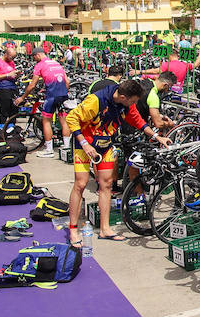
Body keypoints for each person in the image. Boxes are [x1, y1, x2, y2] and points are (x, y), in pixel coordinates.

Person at [63, 78, 163, 246]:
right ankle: (73, 230)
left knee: (107, 184)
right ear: (123, 97)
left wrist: (156, 136)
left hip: (105, 145)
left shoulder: (126, 103)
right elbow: (72, 118)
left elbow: (137, 120)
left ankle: (105, 228)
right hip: (84, 144)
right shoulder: (95, 101)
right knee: (80, 184)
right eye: (133, 101)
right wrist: (85, 143)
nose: (135, 104)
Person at [19, 49, 71, 157]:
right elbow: (67, 81)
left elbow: (32, 85)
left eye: (34, 57)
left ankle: (49, 150)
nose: (34, 59)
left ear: (38, 55)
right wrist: (64, 92)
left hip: (51, 95)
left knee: (46, 121)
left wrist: (23, 97)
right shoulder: (56, 63)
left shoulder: (40, 65)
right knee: (64, 121)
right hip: (63, 94)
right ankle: (67, 148)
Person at [0, 43, 21, 131]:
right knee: (4, 110)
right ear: (6, 54)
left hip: (13, 88)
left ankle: (12, 129)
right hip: (4, 89)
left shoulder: (11, 63)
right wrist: (7, 75)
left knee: (14, 110)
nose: (12, 59)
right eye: (11, 57)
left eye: (14, 58)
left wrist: (16, 74)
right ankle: (2, 129)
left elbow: (12, 74)